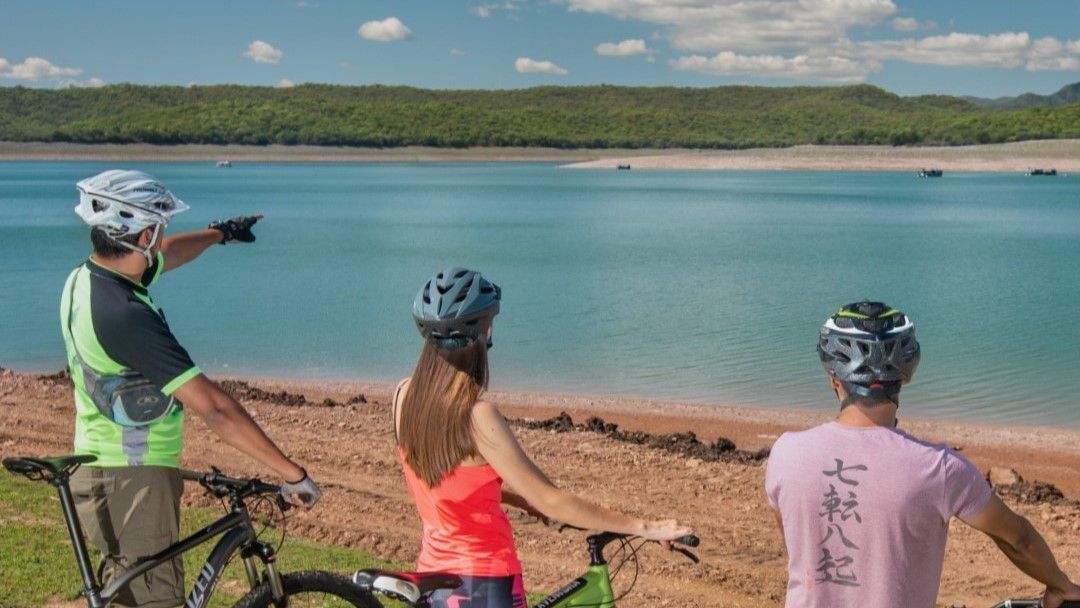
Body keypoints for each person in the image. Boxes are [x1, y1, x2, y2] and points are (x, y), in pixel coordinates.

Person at [61, 169, 321, 608]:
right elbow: (215, 408)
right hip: (133, 479)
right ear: (142, 236)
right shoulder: (124, 315)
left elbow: (171, 254)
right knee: (154, 600)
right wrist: (292, 473)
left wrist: (220, 234)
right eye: (158, 229)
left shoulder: (90, 280)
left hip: (109, 468)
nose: (163, 237)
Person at [393, 267, 692, 608]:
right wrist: (645, 526)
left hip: (435, 582)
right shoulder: (478, 417)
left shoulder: (403, 397)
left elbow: (449, 488)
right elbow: (552, 500)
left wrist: (521, 501)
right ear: (484, 333)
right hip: (485, 586)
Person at [765, 300, 1080, 608]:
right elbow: (1018, 540)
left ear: (835, 380)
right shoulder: (939, 468)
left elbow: (797, 546)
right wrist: (1061, 586)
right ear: (904, 377)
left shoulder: (786, 453)